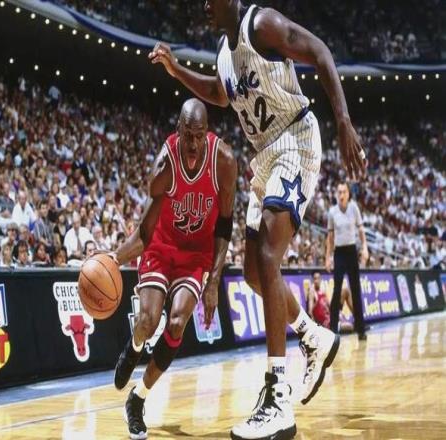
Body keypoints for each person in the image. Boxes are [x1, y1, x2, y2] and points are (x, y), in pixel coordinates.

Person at [149, 2, 366, 438]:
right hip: (265, 155)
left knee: (268, 253)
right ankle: (312, 336)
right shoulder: (223, 53)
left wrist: (343, 120)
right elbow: (220, 93)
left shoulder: (261, 24)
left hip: (295, 139)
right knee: (252, 272)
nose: (205, 6)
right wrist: (176, 71)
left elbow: (320, 51)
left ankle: (277, 396)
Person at [108, 99, 236, 439]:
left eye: (199, 135)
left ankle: (138, 399)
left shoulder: (224, 161)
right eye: (187, 135)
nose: (193, 144)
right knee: (147, 321)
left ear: (207, 132)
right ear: (177, 130)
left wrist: (214, 281)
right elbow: (144, 232)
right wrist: (113, 259)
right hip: (162, 248)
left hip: (196, 256)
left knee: (177, 322)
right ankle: (134, 346)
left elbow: (225, 224)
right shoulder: (166, 165)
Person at [325, 182, 368, 340]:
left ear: (348, 194)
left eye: (344, 191)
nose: (341, 194)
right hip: (339, 253)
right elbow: (330, 237)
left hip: (351, 251)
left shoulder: (354, 208)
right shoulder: (332, 212)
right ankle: (333, 330)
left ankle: (360, 329)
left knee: (355, 290)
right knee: (337, 290)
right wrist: (327, 257)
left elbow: (361, 229)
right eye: (339, 192)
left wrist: (365, 247)